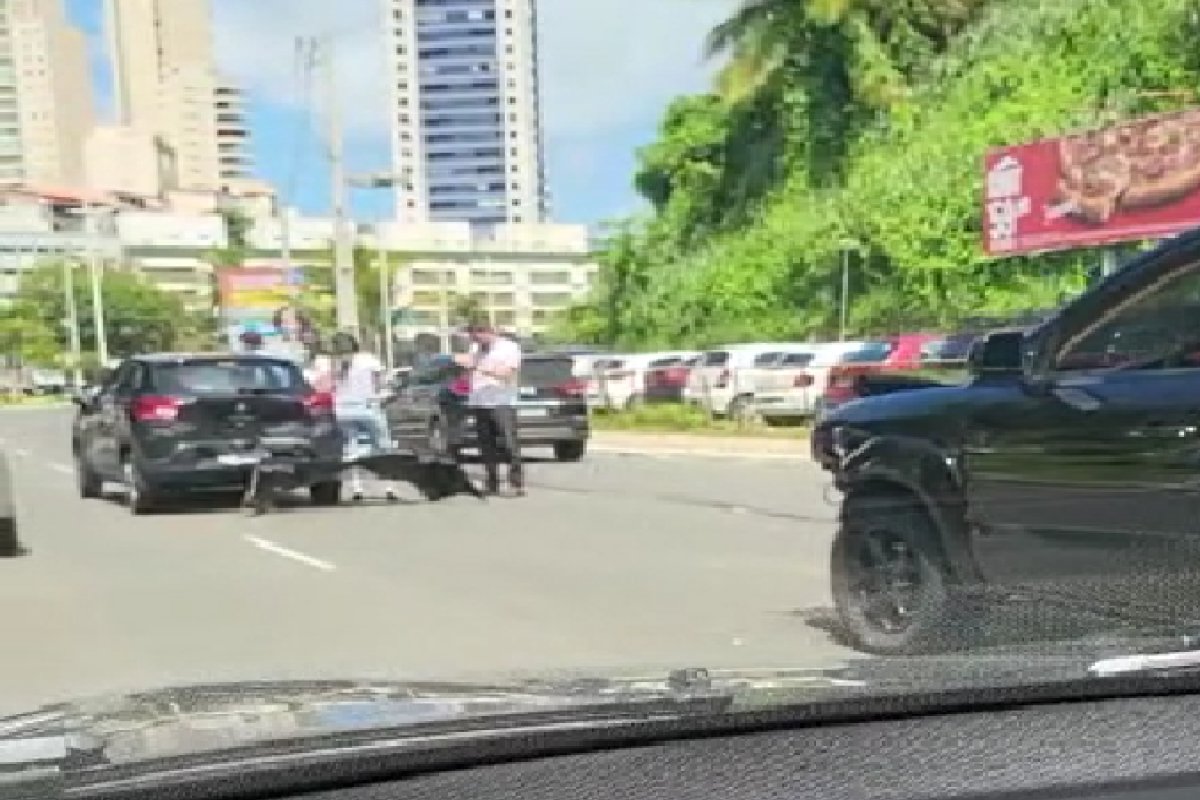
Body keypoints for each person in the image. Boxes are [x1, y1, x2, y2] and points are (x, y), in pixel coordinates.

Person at [455, 323, 524, 497]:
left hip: (502, 402)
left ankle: (516, 483)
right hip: (480, 402)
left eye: (478, 337)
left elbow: (508, 373)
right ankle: (492, 481)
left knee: (509, 444)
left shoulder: (509, 348)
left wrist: (478, 366)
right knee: (486, 446)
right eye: (473, 338)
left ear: (488, 332)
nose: (476, 341)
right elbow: (469, 374)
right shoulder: (475, 349)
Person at [329, 331, 398, 502]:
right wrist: (384, 394)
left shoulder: (335, 363)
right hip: (368, 407)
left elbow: (331, 386)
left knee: (352, 449)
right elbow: (385, 381)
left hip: (343, 411)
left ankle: (356, 487)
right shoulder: (368, 360)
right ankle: (388, 486)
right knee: (383, 447)